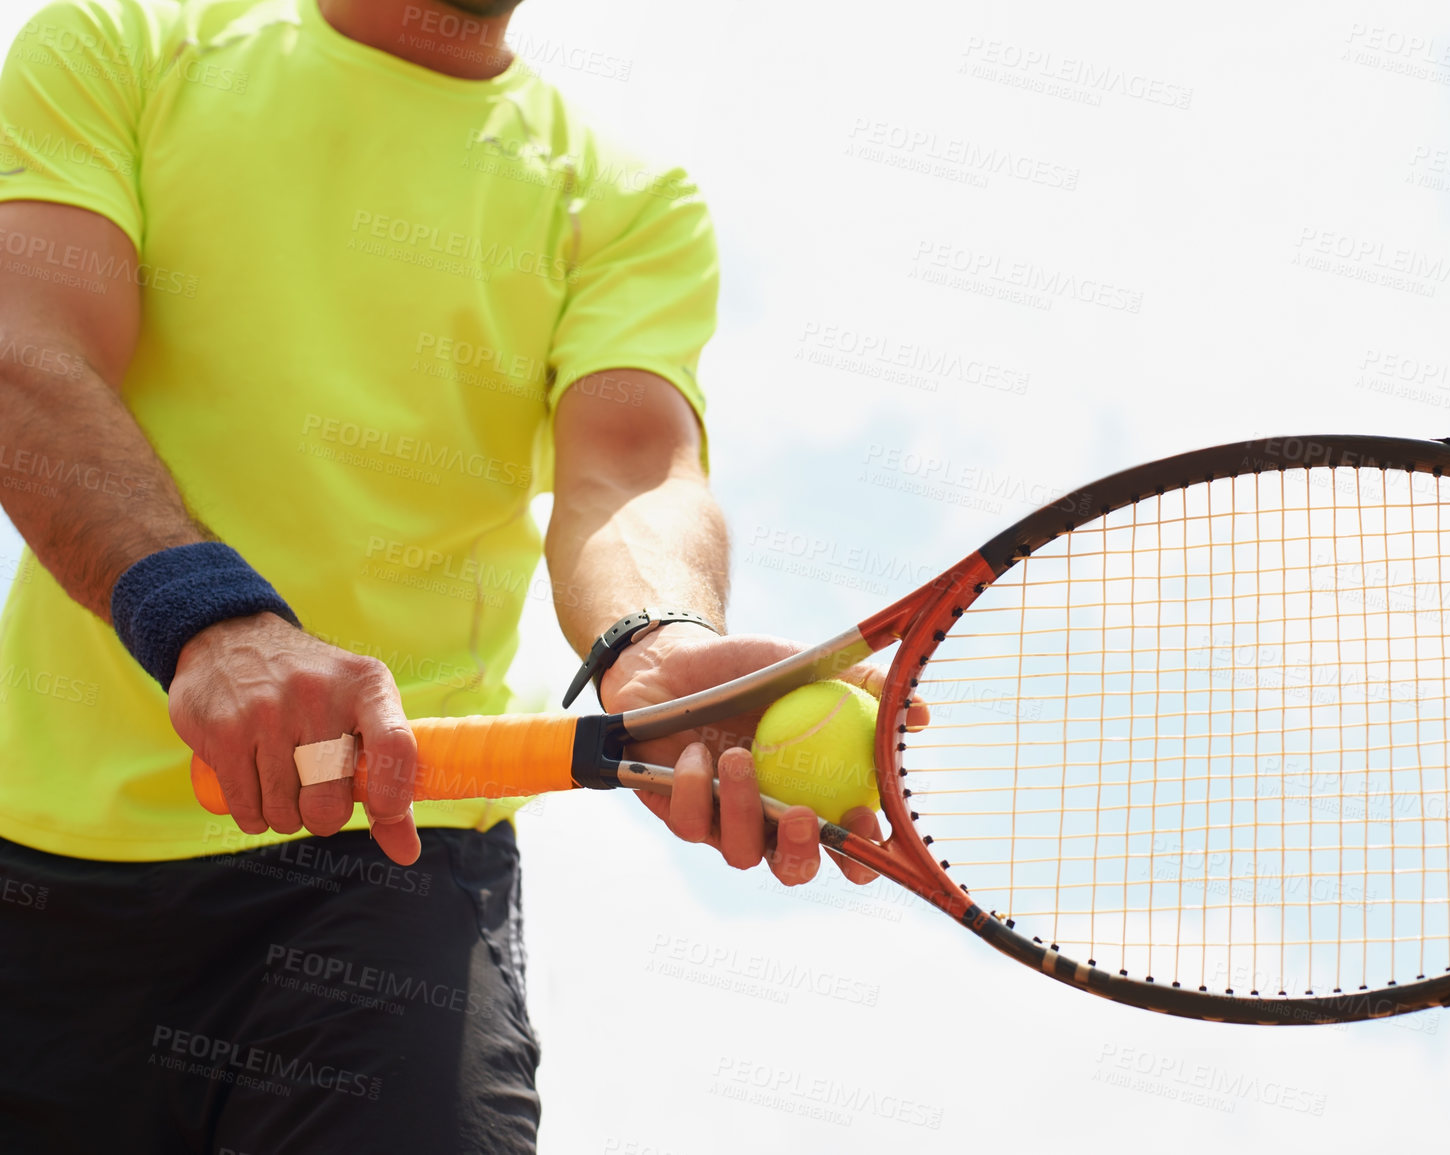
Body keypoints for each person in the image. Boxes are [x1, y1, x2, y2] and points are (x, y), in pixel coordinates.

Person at [0, 0, 882, 1149]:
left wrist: (652, 644)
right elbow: (29, 353)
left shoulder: (623, 200)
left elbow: (626, 469)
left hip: (394, 876)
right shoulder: (122, 40)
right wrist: (213, 623)